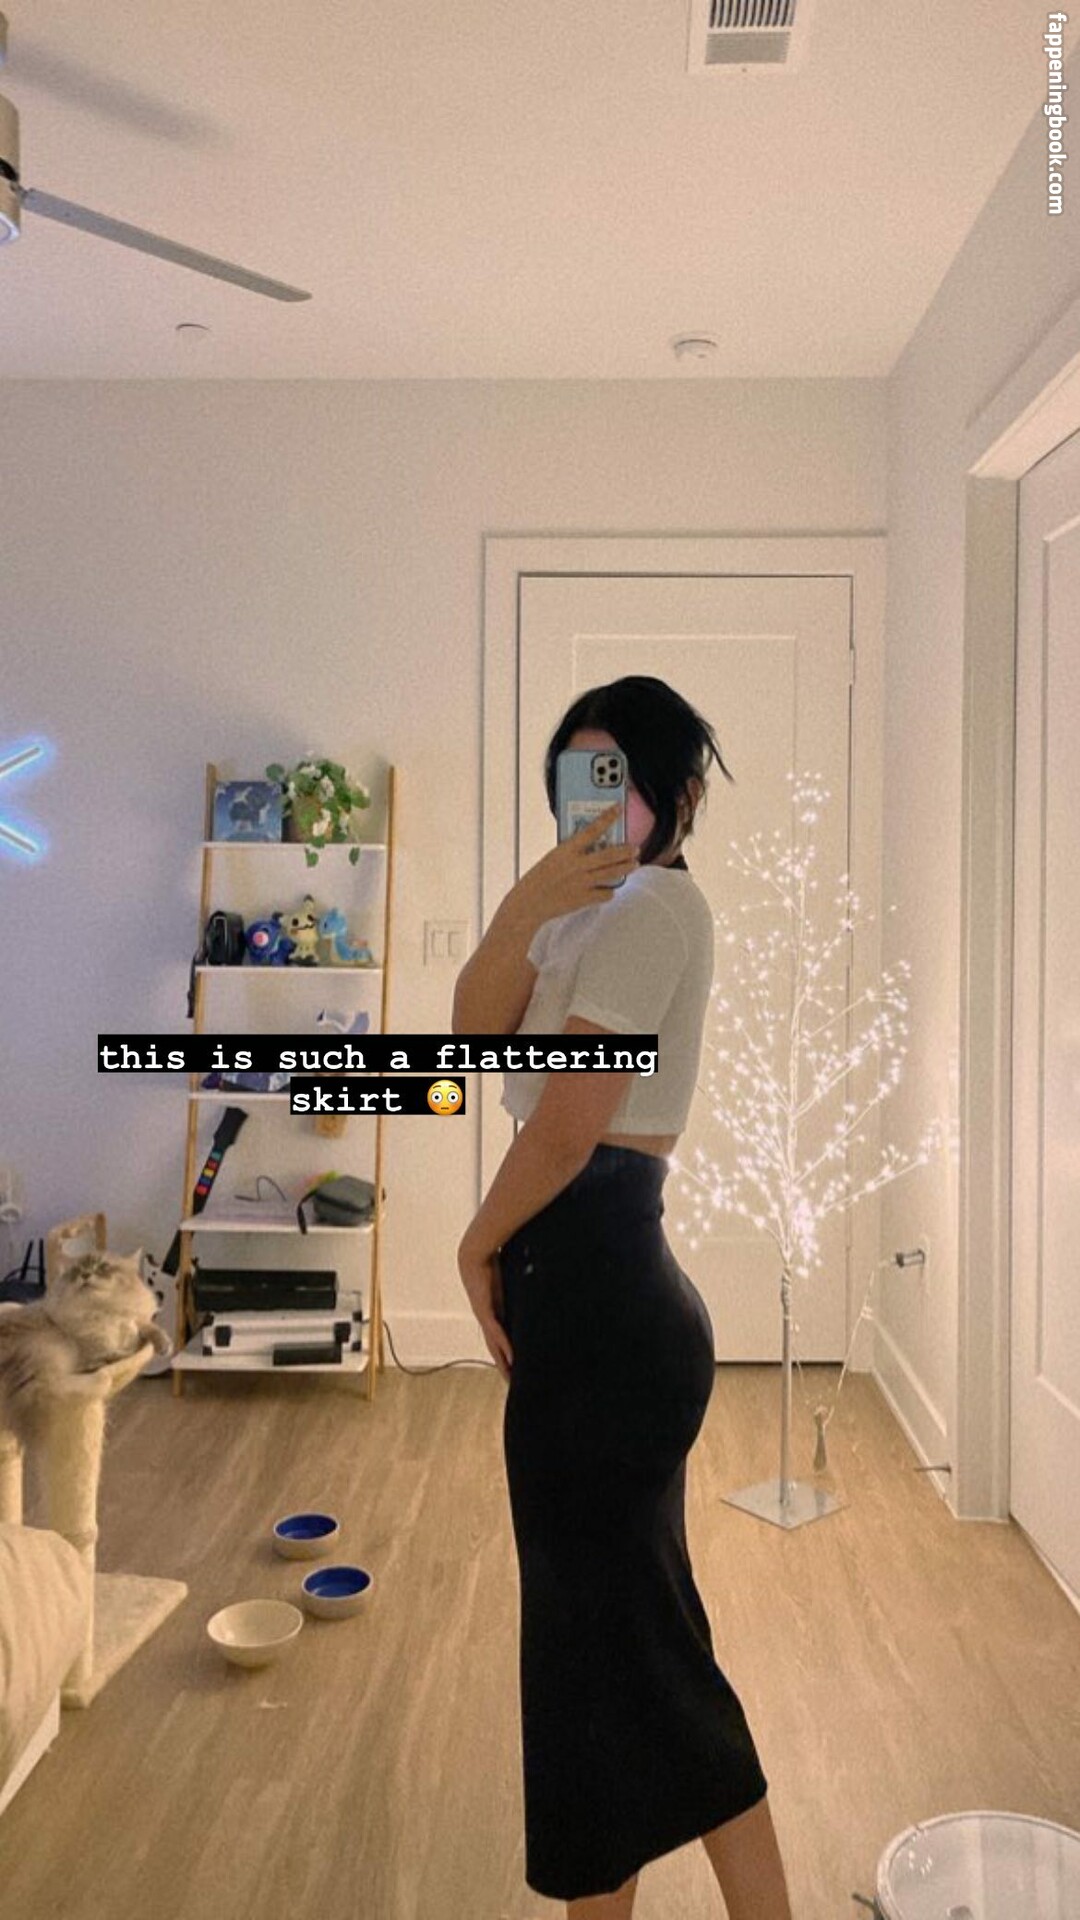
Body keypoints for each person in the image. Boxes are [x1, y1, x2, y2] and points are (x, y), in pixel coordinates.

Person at [452, 676, 794, 1920]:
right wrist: (522, 907)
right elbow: (471, 1045)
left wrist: (474, 1246)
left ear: (679, 796)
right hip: (589, 1300)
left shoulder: (657, 912)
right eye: (576, 779)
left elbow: (566, 1128)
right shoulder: (577, 916)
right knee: (616, 1661)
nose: (596, 806)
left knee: (622, 1664)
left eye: (621, 781)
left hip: (603, 1300)